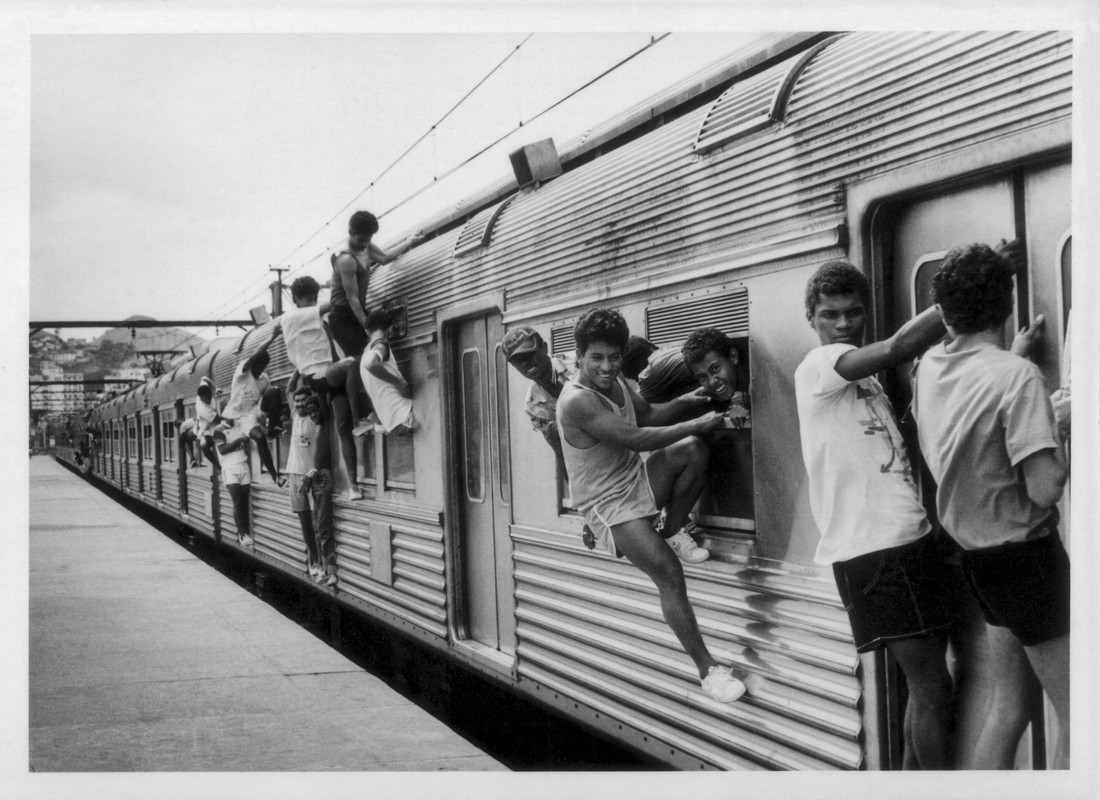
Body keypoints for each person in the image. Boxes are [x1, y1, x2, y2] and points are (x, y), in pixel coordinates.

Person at [794, 260, 963, 769]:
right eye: (830, 315)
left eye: (853, 313)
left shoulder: (864, 382)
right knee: (934, 687)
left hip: (903, 541)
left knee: (925, 688)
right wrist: (959, 292)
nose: (843, 324)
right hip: (876, 551)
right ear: (812, 318)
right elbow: (896, 348)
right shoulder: (819, 366)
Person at [912, 243, 1069, 769]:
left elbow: (976, 406)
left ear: (944, 312)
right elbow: (1045, 488)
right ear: (1007, 302)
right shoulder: (1016, 380)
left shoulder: (930, 366)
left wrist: (1018, 364)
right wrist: (1058, 425)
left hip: (981, 565)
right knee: (1079, 717)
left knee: (1010, 707)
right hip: (1029, 564)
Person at [555, 307, 753, 703]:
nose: (607, 366)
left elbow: (649, 413)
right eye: (596, 358)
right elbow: (637, 437)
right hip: (606, 505)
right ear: (579, 357)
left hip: (635, 480)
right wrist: (701, 420)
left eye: (614, 357)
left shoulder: (618, 382)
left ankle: (671, 528)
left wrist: (695, 397)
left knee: (692, 452)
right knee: (668, 570)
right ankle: (708, 670)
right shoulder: (577, 400)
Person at [329, 210, 424, 436]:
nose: (366, 243)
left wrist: (409, 242)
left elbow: (385, 258)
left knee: (373, 356)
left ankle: (377, 413)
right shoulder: (346, 260)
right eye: (361, 239)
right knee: (360, 361)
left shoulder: (365, 248)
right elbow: (352, 299)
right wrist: (368, 328)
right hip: (343, 316)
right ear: (351, 233)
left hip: (357, 312)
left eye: (369, 239)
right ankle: (359, 419)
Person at [278, 274, 363, 500]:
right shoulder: (293, 317)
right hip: (317, 375)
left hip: (330, 373)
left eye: (314, 298)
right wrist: (348, 281)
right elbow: (332, 304)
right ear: (296, 300)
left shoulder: (318, 321)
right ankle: (361, 420)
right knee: (351, 364)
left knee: (342, 427)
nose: (313, 302)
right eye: (307, 299)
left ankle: (353, 486)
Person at [501, 326, 576, 478]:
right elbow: (561, 452)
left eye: (529, 354)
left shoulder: (578, 364)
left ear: (544, 348)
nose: (525, 363)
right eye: (517, 360)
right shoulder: (533, 406)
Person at [221, 326, 286, 488]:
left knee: (274, 392)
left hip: (253, 413)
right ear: (252, 366)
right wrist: (272, 337)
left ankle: (273, 428)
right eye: (257, 368)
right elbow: (256, 353)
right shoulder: (242, 372)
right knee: (258, 437)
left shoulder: (264, 379)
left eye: (262, 369)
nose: (259, 371)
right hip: (236, 417)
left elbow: (266, 398)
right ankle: (275, 475)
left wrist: (267, 416)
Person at [286, 388, 337, 586]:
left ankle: (322, 564)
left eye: (303, 401)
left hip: (313, 475)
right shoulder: (294, 414)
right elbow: (291, 387)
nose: (299, 404)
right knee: (304, 519)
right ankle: (314, 560)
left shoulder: (315, 421)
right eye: (296, 401)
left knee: (318, 523)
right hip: (295, 472)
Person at [359, 308, 416, 435]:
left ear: (367, 331)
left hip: (391, 422)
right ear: (389, 329)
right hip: (405, 415)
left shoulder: (364, 355)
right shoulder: (381, 343)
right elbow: (372, 365)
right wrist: (399, 383)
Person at [681, 328, 751, 428]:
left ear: (733, 357)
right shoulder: (708, 394)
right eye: (702, 377)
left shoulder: (757, 371)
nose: (712, 382)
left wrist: (753, 409)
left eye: (715, 368)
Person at [622, 336, 698, 404]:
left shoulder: (650, 373)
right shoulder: (669, 349)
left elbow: (637, 408)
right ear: (651, 345)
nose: (637, 381)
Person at [213, 422, 255, 548]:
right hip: (230, 468)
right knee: (237, 501)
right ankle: (242, 534)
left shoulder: (240, 427)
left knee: (244, 501)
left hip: (244, 466)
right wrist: (239, 440)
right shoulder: (219, 431)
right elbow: (222, 450)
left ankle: (246, 532)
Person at [193, 377, 223, 472]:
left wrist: (216, 388)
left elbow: (204, 378)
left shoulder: (204, 388)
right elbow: (218, 420)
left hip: (214, 420)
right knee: (204, 446)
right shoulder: (202, 409)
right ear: (201, 398)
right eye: (206, 399)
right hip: (207, 425)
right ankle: (218, 466)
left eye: (210, 396)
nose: (209, 399)